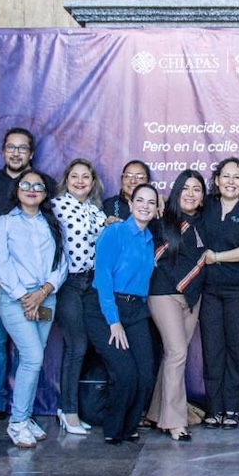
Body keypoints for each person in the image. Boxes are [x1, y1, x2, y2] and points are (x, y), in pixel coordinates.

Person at [0, 127, 53, 427]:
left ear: (31, 154)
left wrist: (40, 291)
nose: (16, 153)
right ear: (3, 151)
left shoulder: (43, 184)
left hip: (40, 287)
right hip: (3, 279)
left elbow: (55, 244)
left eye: (22, 148)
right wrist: (21, 293)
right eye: (11, 147)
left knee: (31, 352)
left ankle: (23, 410)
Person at [0, 169, 68, 449]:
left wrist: (44, 291)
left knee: (33, 359)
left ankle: (26, 416)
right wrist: (26, 296)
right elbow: (1, 264)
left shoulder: (52, 223)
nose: (32, 189)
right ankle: (17, 421)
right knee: (33, 356)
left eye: (38, 186)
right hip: (15, 299)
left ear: (46, 193)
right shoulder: (4, 224)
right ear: (16, 190)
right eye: (26, 185)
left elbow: (62, 262)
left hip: (46, 297)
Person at [87, 182, 159, 444]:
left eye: (151, 202)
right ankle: (113, 429)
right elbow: (103, 278)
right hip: (105, 308)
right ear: (130, 204)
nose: (145, 206)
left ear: (156, 209)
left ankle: (129, 427)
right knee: (124, 373)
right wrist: (113, 321)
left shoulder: (150, 240)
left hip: (136, 310)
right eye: (140, 200)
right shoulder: (114, 232)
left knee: (145, 373)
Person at [198, 157, 239, 429]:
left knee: (237, 350)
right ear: (216, 179)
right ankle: (214, 409)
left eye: (237, 177)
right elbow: (182, 210)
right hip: (209, 291)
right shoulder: (207, 206)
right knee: (212, 351)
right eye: (226, 176)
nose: (231, 182)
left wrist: (216, 257)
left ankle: (232, 409)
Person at [146, 171, 209, 441]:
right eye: (186, 189)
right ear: (176, 192)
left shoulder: (205, 223)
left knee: (172, 356)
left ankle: (156, 412)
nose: (191, 194)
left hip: (194, 297)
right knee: (177, 353)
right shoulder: (162, 221)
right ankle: (173, 421)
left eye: (197, 189)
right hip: (164, 293)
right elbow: (156, 260)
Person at [50, 158, 106, 435]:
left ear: (93, 182)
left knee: (89, 345)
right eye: (75, 176)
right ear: (66, 179)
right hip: (68, 282)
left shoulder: (96, 210)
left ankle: (75, 408)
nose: (80, 181)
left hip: (92, 283)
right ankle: (67, 410)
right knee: (76, 346)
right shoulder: (57, 206)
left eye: (86, 176)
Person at [104, 160, 151, 225]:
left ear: (148, 182)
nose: (133, 181)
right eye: (128, 176)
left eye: (140, 177)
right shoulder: (108, 205)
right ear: (121, 179)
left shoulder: (156, 206)